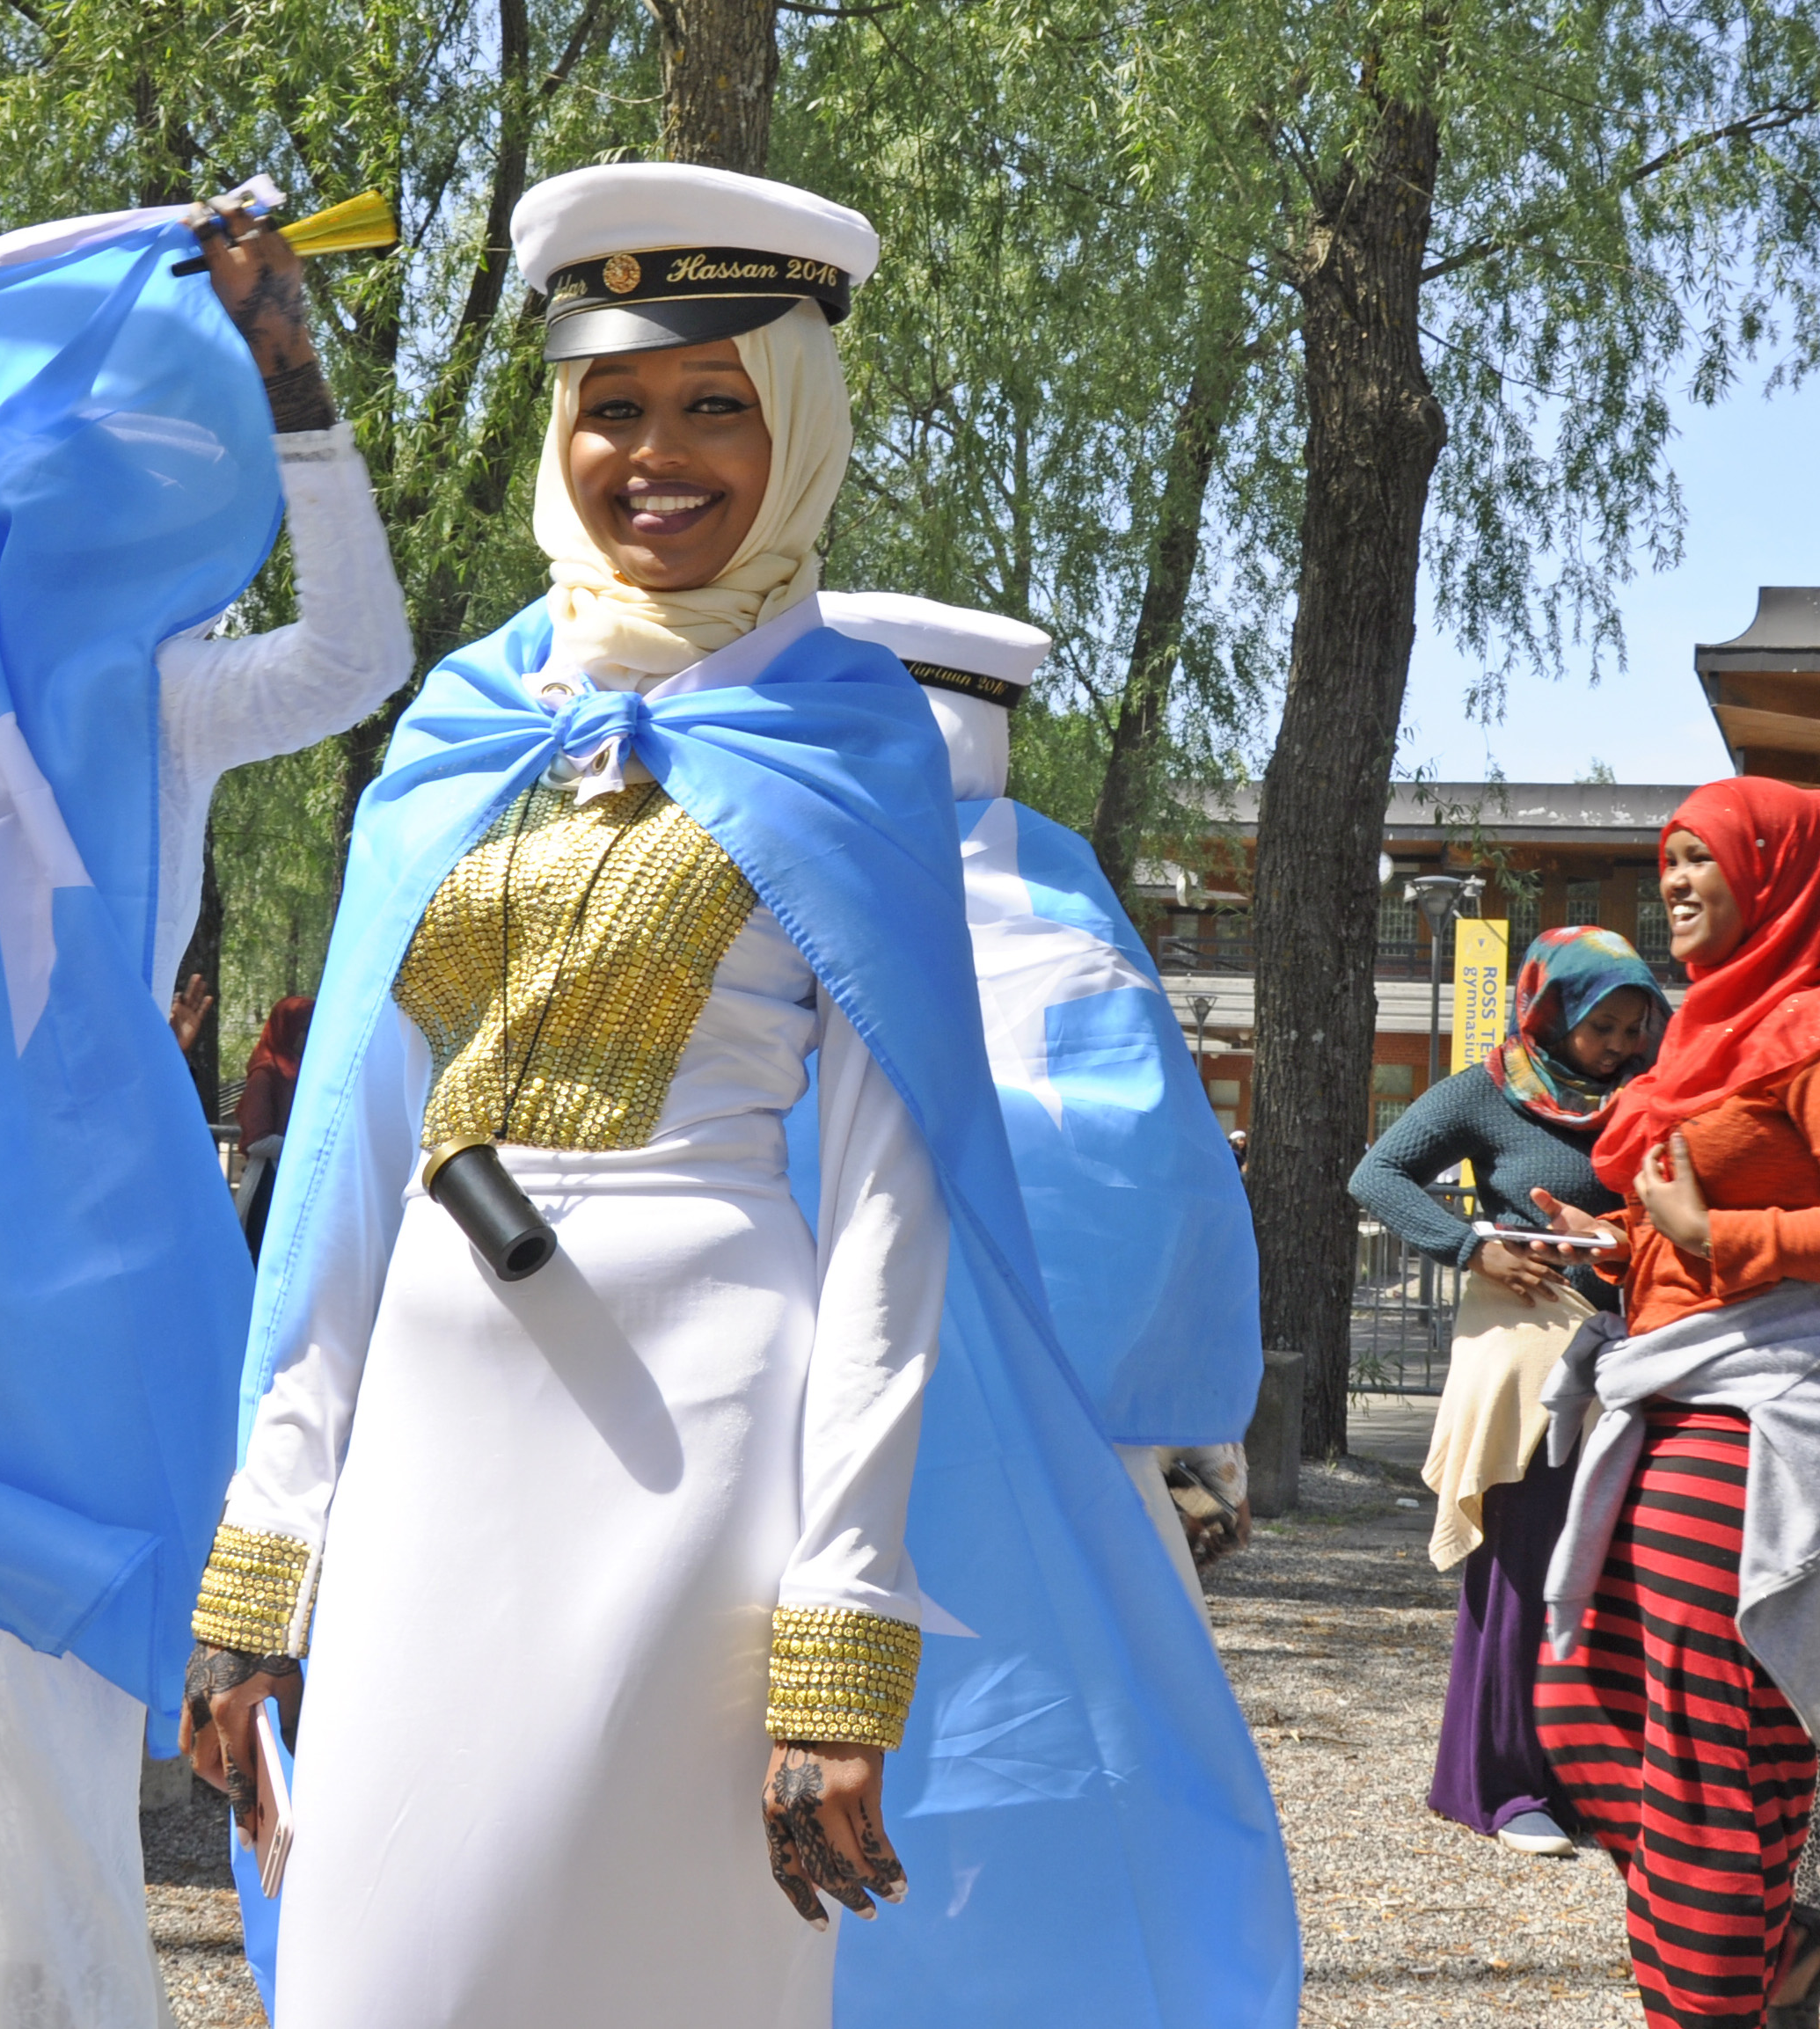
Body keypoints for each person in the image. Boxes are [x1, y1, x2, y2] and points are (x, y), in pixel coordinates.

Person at [184, 164, 1298, 2029]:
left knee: (666, 1968)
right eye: (612, 403)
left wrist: (838, 1628)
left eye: (716, 402)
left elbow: (888, 1213)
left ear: (797, 426)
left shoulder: (849, 732)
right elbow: (348, 1175)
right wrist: (266, 1547)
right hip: (424, 1445)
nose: (656, 453)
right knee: (385, 1970)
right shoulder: (466, 719)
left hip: (706, 1448)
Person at [0, 192, 409, 2028]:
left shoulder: (160, 694)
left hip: (63, 1301)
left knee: (31, 1752)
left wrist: (296, 386)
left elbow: (355, 658)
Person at [819, 591, 1263, 1621]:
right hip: (1048, 1428)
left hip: (875, 1393)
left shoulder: (799, 883)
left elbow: (1137, 1162)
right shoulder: (1064, 903)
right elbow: (1151, 1175)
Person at [1533, 777, 1820, 2029]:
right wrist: (1625, 1242)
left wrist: (1720, 1235)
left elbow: (1739, 1222)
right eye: (1670, 860)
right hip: (1666, 1398)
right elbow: (1695, 1208)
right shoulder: (1712, 1023)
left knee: (1713, 1762)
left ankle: (1718, 1997)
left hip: (1752, 1418)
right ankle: (1768, 1963)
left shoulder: (1804, 1022)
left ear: (1777, 878)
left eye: (1706, 859)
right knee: (1582, 1710)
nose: (1676, 881)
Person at [1349, 927, 1669, 1857]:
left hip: (1643, 1356)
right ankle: (1497, 1782)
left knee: (1616, 1576)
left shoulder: (1656, 1090)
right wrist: (1469, 1246)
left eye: (1634, 1028)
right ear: (1549, 1011)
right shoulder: (1485, 1090)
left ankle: (1589, 1779)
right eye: (1602, 1028)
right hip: (1532, 1359)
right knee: (1524, 1563)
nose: (1618, 1047)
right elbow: (1375, 1174)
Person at [235, 994, 315, 1257]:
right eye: (306, 1028)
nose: (312, 1035)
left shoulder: (306, 1071)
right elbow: (258, 1141)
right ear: (288, 1028)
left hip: (295, 1180)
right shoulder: (265, 1073)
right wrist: (309, 1148)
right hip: (268, 1187)